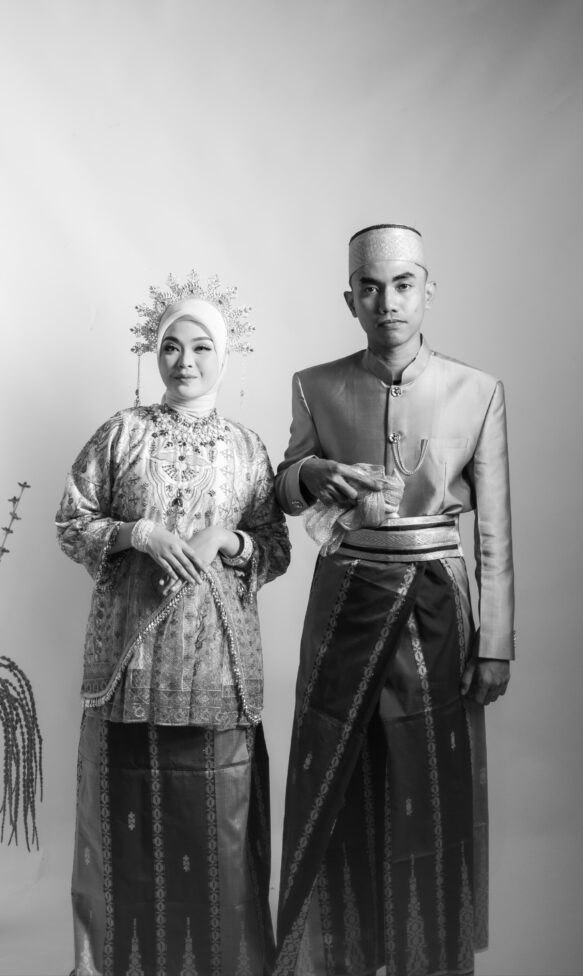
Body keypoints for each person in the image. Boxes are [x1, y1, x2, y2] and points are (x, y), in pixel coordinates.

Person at [273, 224, 514, 976]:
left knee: (430, 782)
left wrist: (495, 643)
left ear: (427, 290)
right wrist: (310, 475)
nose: (388, 303)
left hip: (436, 607)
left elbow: (494, 530)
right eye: (370, 289)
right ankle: (338, 957)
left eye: (403, 285)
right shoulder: (315, 384)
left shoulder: (477, 391)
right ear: (350, 300)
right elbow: (285, 488)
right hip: (344, 598)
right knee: (335, 778)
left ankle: (428, 957)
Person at [56, 271, 290, 976]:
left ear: (224, 356)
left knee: (217, 830)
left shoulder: (248, 448)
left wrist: (229, 539)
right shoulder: (121, 434)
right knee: (123, 833)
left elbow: (275, 547)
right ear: (154, 353)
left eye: (200, 348)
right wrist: (137, 533)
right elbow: (72, 521)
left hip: (219, 669)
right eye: (171, 347)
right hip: (129, 666)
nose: (184, 362)